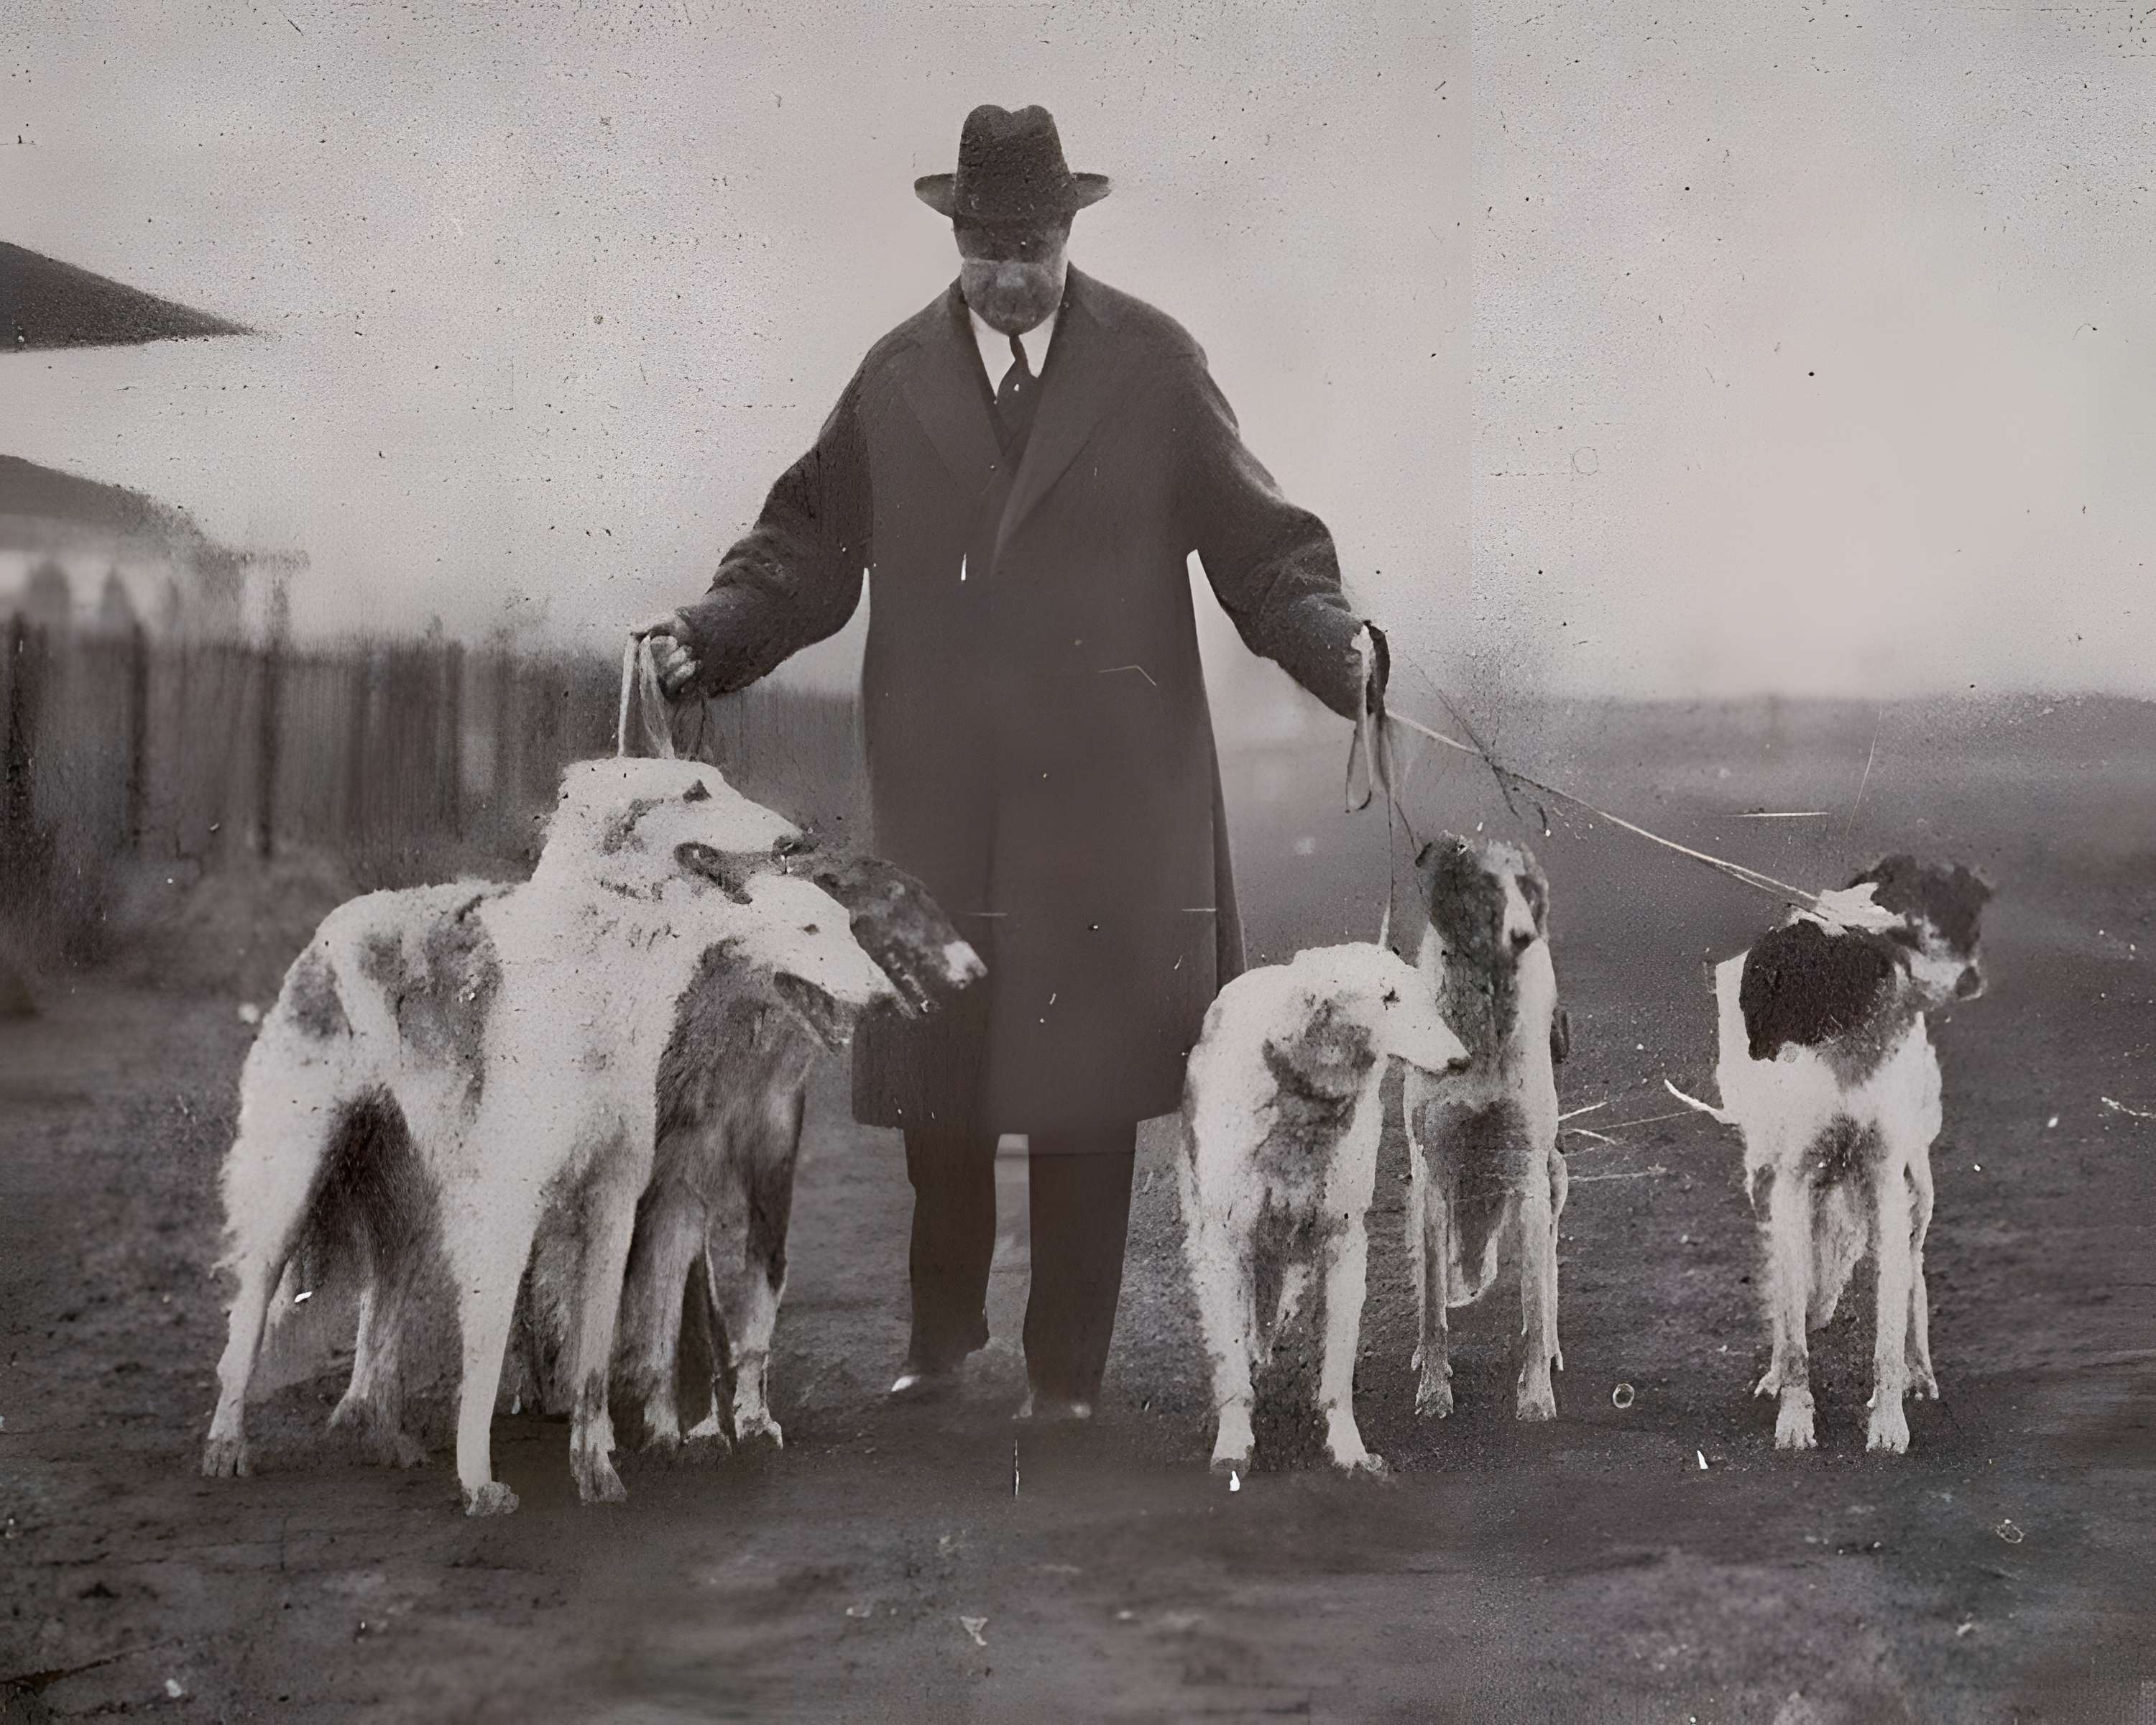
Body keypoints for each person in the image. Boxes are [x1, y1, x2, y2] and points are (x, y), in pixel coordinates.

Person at [641, 104, 1388, 1421]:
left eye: (1029, 245)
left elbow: (1262, 547)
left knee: (1086, 1092)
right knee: (944, 1087)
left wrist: (1341, 648)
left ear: (1066, 233)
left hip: (1111, 799)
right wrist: (707, 636)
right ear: (956, 239)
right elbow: (801, 552)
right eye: (985, 247)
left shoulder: (1155, 366)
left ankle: (1066, 1376)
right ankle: (940, 1341)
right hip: (942, 795)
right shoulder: (892, 379)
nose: (1007, 274)